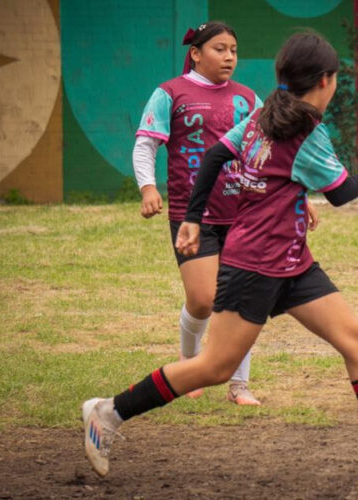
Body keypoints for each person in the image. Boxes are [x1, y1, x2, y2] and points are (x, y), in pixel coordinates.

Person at [83, 32, 358, 478]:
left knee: (355, 338)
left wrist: (193, 216)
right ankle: (107, 412)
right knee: (214, 367)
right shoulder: (304, 131)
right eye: (336, 77)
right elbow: (340, 193)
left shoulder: (264, 115)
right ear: (325, 81)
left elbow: (212, 158)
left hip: (292, 261)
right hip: (255, 265)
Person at [133, 21, 294, 405]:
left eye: (234, 50)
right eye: (220, 49)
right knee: (204, 299)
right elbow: (145, 145)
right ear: (196, 53)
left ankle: (240, 384)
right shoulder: (170, 93)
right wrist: (148, 186)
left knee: (240, 299)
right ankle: (190, 366)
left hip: (243, 214)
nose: (229, 57)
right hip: (194, 217)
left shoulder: (247, 99)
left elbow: (269, 153)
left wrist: (291, 197)